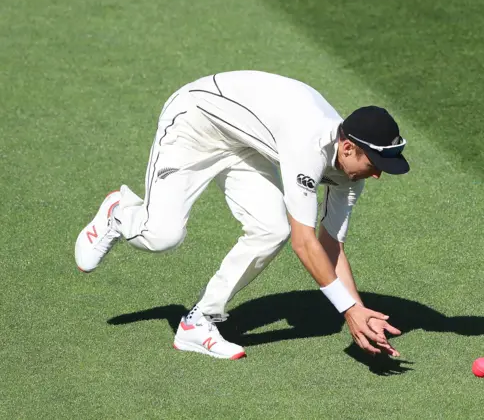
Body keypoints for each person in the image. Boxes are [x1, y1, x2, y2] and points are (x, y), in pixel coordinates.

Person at [74, 70, 410, 360]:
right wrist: (347, 310)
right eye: (374, 164)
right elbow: (305, 244)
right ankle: (119, 214)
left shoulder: (353, 173)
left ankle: (199, 322)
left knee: (271, 229)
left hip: (246, 143)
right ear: (349, 148)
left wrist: (359, 310)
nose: (377, 175)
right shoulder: (308, 145)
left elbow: (330, 244)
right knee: (162, 236)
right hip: (197, 119)